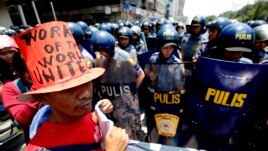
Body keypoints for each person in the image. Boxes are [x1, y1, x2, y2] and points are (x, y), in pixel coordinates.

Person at [13, 21, 129, 151]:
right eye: (69, 89)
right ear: (43, 98)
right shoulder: (40, 148)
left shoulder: (87, 116)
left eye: (86, 82)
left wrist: (100, 110)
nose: (85, 94)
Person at [91, 30, 145, 140]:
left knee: (130, 134)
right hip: (110, 101)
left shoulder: (126, 57)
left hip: (126, 103)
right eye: (99, 51)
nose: (101, 54)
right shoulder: (99, 59)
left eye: (102, 51)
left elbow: (141, 74)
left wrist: (132, 92)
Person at [143, 25, 185, 146]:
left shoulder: (178, 64)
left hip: (170, 101)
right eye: (165, 47)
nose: (168, 51)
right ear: (159, 46)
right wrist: (150, 74)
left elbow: (180, 86)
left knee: (170, 133)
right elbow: (146, 71)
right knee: (154, 131)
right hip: (155, 100)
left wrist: (177, 89)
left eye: (171, 48)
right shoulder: (153, 58)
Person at [2, 52, 39, 143]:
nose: (36, 72)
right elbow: (22, 120)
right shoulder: (10, 88)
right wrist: (37, 90)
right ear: (18, 73)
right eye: (29, 70)